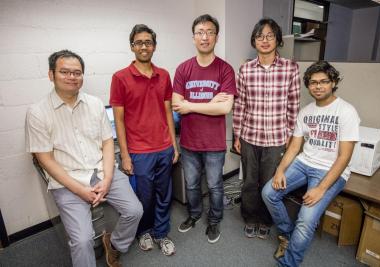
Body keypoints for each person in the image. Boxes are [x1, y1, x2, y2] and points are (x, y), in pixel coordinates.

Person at [25, 50, 143, 267]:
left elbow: (108, 142)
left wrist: (107, 180)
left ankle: (114, 244)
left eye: (77, 73)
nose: (72, 77)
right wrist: (80, 190)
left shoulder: (95, 104)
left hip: (101, 170)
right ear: (51, 75)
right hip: (67, 180)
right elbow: (45, 159)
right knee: (82, 240)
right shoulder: (37, 112)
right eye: (65, 72)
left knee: (135, 211)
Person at [262, 61, 360, 267]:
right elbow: (294, 146)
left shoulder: (346, 111)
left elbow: (344, 157)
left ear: (333, 82)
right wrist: (280, 170)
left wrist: (321, 189)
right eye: (313, 82)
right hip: (304, 162)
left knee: (306, 221)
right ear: (308, 86)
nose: (318, 86)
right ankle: (287, 235)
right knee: (269, 193)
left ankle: (288, 263)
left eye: (324, 81)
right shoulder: (306, 111)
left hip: (330, 171)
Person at [109, 24, 179, 256]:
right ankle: (144, 231)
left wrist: (174, 145)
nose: (144, 46)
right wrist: (126, 156)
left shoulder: (164, 75)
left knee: (164, 195)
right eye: (139, 42)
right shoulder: (120, 78)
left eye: (148, 42)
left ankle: (161, 232)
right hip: (139, 152)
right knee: (143, 197)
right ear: (132, 47)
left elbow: (168, 112)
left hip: (164, 148)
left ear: (154, 46)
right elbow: (118, 120)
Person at [232, 17, 300, 239]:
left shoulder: (290, 68)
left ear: (278, 40)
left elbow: (293, 105)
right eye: (260, 36)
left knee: (270, 184)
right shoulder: (246, 69)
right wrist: (237, 135)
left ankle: (265, 219)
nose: (265, 40)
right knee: (250, 182)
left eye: (270, 36)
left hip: (276, 138)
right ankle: (250, 217)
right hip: (250, 136)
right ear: (254, 41)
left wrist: (290, 135)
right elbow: (240, 104)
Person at [172, 14, 237, 244]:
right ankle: (194, 214)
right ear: (193, 37)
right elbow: (177, 105)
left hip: (214, 143)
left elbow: (225, 108)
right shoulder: (183, 69)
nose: (205, 36)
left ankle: (214, 220)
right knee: (191, 184)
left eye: (209, 32)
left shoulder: (225, 70)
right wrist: (210, 103)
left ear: (216, 37)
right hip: (189, 142)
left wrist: (191, 105)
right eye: (200, 32)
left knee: (215, 185)